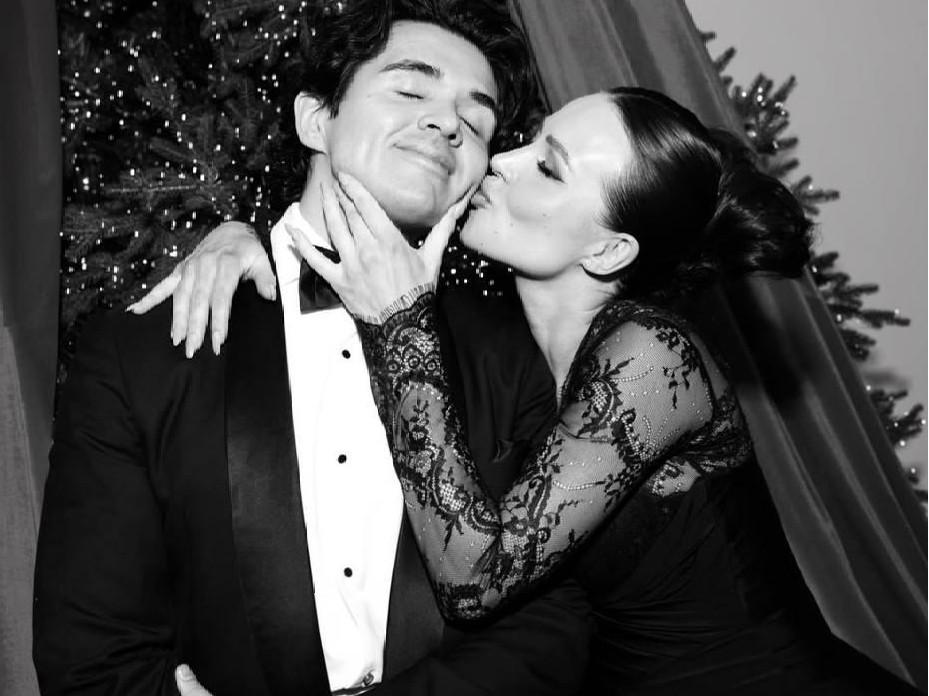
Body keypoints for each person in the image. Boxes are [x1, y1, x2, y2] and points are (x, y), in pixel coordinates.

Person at [167, 88, 921, 695]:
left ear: (608, 250)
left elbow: (474, 577)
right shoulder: (509, 343)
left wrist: (401, 324)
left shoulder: (653, 358)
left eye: (548, 169)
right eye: (530, 139)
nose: (502, 160)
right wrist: (240, 236)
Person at [32, 2, 593, 695]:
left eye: (474, 122)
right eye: (410, 89)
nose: (448, 123)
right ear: (315, 120)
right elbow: (89, 658)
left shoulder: (511, 356)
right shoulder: (143, 352)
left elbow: (551, 629)